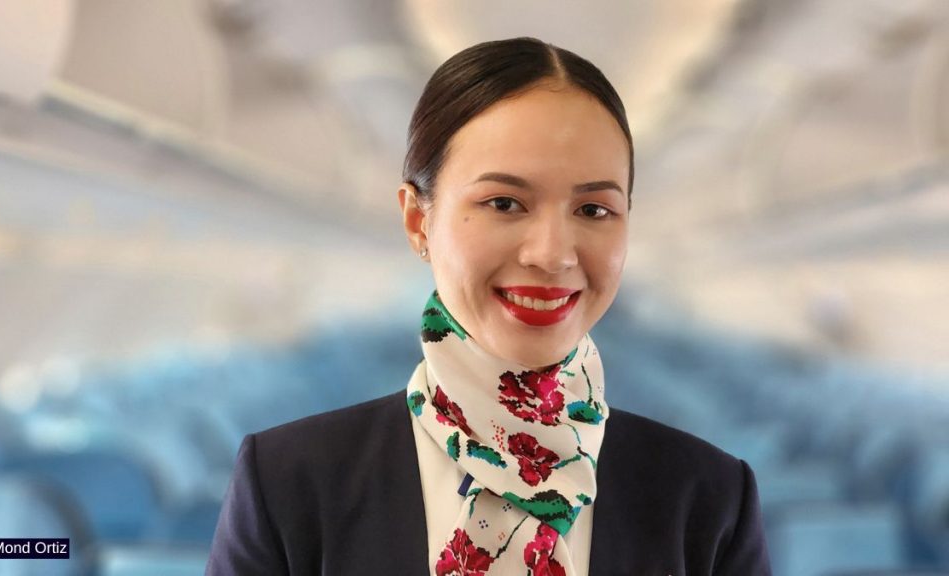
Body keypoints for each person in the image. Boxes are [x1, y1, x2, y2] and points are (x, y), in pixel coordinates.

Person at [206, 37, 772, 575]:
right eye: (505, 203)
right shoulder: (288, 484)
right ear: (417, 219)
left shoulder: (707, 498)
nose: (552, 254)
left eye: (594, 210)